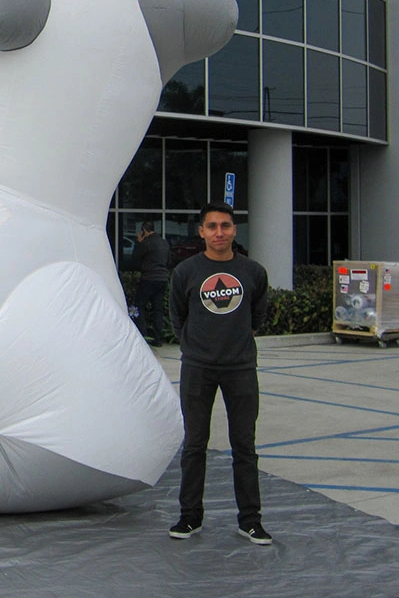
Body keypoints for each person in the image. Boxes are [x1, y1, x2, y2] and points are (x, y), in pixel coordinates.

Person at [167, 202, 272, 545]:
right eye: (211, 227)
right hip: (197, 367)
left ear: (234, 230)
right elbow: (177, 318)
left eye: (225, 226)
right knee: (195, 445)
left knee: (244, 445)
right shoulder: (185, 271)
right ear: (201, 232)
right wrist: (196, 346)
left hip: (241, 368)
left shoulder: (253, 272)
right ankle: (189, 517)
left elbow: (258, 316)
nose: (219, 233)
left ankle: (250, 520)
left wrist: (237, 341)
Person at [130, 220, 170, 346]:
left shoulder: (146, 243)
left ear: (144, 231)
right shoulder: (164, 243)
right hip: (162, 278)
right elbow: (170, 260)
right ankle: (158, 339)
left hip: (149, 277)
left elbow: (135, 258)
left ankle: (142, 334)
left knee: (139, 305)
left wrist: (138, 242)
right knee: (158, 309)